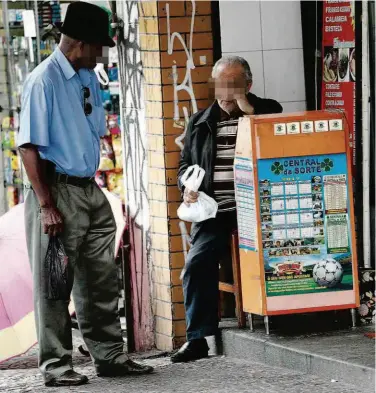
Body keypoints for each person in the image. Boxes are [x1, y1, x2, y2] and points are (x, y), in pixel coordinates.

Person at [18, 2, 152, 387]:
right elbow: (28, 148)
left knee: (100, 279)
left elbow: (91, 131)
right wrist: (46, 206)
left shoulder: (86, 77)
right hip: (55, 193)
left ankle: (109, 357)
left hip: (88, 190)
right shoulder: (43, 81)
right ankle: (57, 367)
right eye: (98, 47)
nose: (102, 55)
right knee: (55, 285)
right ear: (77, 43)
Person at [173, 56, 282, 363]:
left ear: (247, 86)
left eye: (233, 86)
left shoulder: (267, 110)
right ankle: (199, 339)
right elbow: (184, 164)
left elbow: (277, 141)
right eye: (221, 85)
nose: (226, 92)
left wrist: (250, 114)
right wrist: (187, 185)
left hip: (261, 209)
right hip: (217, 211)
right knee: (196, 265)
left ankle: (289, 315)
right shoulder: (200, 121)